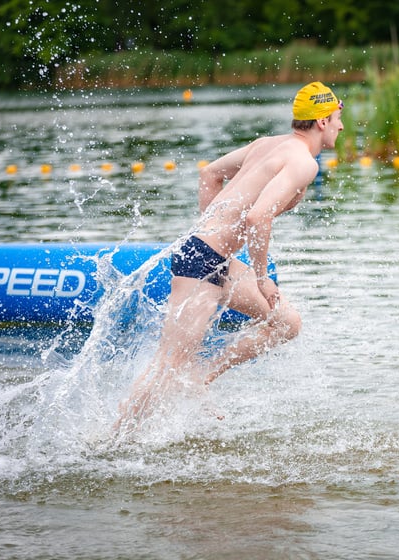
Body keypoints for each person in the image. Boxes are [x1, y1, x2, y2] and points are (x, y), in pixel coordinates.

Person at [115, 82, 344, 432]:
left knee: (287, 323)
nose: (342, 126)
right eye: (339, 118)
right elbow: (258, 217)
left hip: (213, 258)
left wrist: (212, 234)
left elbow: (210, 174)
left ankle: (201, 377)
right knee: (167, 365)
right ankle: (109, 439)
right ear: (323, 121)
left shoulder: (269, 145)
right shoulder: (303, 162)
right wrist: (262, 277)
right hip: (202, 261)